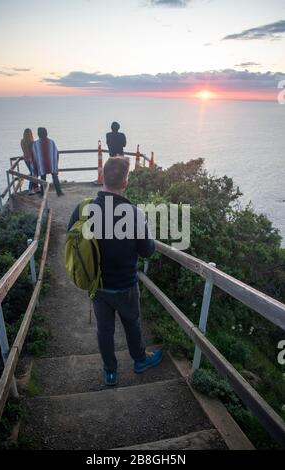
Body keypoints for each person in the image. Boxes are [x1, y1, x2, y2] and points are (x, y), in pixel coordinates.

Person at [68, 156, 162, 386]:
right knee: (132, 323)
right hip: (126, 285)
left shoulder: (83, 209)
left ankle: (110, 371)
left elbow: (72, 238)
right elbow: (147, 251)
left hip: (97, 284)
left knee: (105, 330)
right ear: (125, 183)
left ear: (102, 177)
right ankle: (139, 360)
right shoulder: (133, 213)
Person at [32, 127, 64, 196]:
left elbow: (34, 156)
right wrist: (55, 162)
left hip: (42, 164)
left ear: (38, 134)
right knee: (55, 176)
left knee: (43, 178)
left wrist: (36, 165)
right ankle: (59, 192)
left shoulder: (35, 144)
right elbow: (56, 153)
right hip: (51, 164)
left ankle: (43, 194)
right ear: (46, 133)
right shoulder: (51, 142)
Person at [21, 128, 38, 195]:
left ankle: (35, 187)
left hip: (26, 159)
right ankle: (30, 189)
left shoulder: (22, 141)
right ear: (31, 134)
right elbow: (34, 152)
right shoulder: (32, 142)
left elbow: (24, 151)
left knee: (33, 173)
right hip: (31, 159)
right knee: (33, 174)